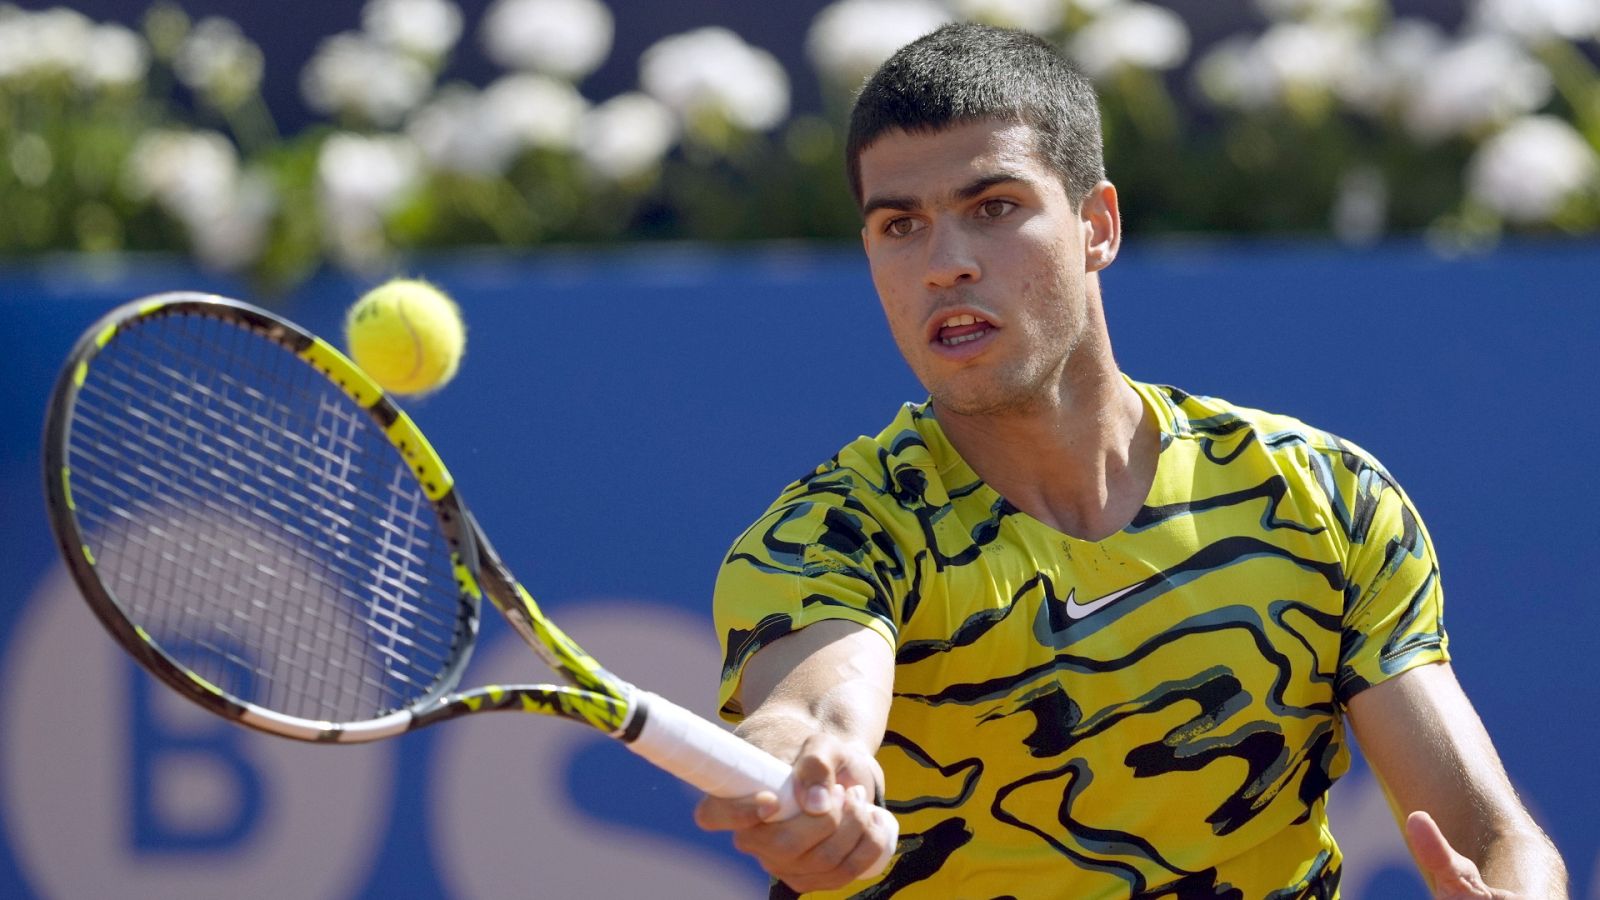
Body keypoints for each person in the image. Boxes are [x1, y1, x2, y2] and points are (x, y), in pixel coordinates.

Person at [694, 23, 1568, 899]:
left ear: (1097, 226)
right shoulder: (830, 538)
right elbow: (813, 711)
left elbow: (1492, 834)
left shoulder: (1322, 497)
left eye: (993, 207)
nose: (944, 265)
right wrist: (808, 777)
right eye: (899, 225)